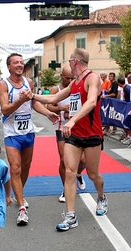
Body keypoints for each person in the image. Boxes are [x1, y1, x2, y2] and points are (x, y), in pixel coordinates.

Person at [34, 48, 107, 231]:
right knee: (69, 172)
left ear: (74, 61)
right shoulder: (74, 83)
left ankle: (101, 196)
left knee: (92, 175)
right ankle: (70, 216)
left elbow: (91, 103)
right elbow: (54, 98)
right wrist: (32, 95)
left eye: (69, 61)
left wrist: (72, 120)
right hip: (74, 136)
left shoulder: (92, 78)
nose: (68, 63)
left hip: (91, 135)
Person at [0, 53, 59, 226]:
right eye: (15, 62)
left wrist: (48, 114)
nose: (19, 65)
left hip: (28, 132)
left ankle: (19, 194)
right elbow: (5, 110)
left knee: (25, 167)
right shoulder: (3, 84)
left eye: (21, 62)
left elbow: (33, 103)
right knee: (15, 168)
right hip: (12, 133)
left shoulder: (29, 82)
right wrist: (20, 99)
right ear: (9, 67)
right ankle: (22, 210)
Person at [46, 65, 86, 203]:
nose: (70, 80)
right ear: (61, 76)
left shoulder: (78, 86)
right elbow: (49, 106)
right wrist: (62, 108)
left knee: (82, 160)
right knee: (64, 159)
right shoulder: (55, 90)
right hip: (62, 126)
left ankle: (79, 174)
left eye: (72, 78)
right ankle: (65, 188)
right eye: (67, 78)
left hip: (78, 126)